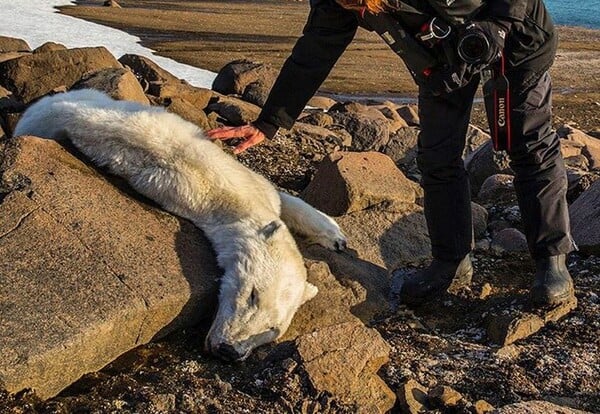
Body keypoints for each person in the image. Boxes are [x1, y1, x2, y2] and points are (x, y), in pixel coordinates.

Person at [207, 0, 576, 307]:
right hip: (443, 58)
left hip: (515, 39)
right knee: (436, 156)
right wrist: (269, 121)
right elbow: (315, 50)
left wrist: (498, 24)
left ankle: (551, 261)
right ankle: (451, 260)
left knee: (528, 146)